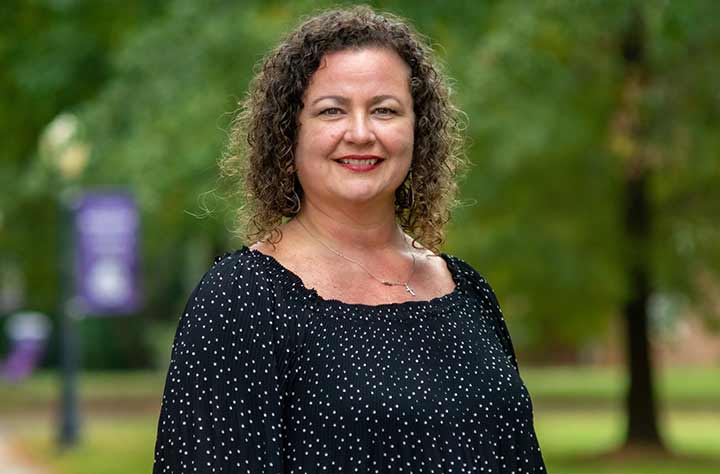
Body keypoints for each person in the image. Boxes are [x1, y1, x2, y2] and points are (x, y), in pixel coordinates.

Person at [153, 6, 545, 473]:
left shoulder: (468, 293)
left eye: (384, 110)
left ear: (417, 130)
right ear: (289, 133)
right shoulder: (242, 301)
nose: (360, 133)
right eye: (332, 110)